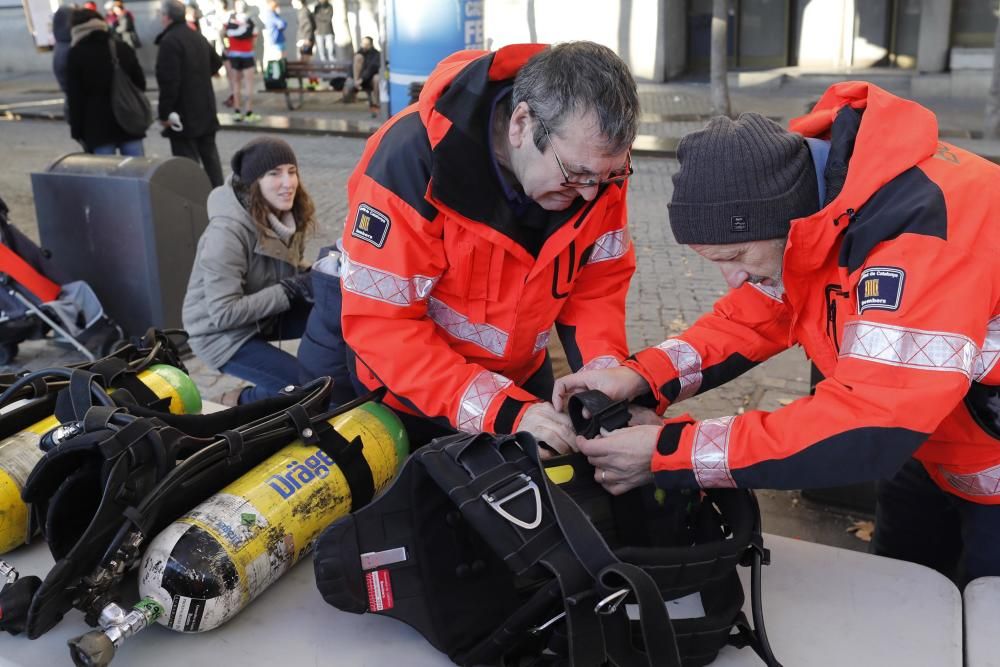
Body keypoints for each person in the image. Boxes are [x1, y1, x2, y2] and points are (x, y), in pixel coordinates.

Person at [555, 83, 1000, 586]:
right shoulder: (826, 199)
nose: (733, 278)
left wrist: (669, 452)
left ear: (782, 221)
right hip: (932, 444)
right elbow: (755, 315)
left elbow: (868, 421)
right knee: (900, 592)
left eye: (735, 256)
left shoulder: (919, 236)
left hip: (974, 462)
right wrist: (638, 376)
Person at [297, 42, 639, 450]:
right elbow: (384, 326)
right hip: (415, 394)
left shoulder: (596, 169)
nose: (589, 194)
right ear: (521, 123)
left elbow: (597, 287)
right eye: (576, 174)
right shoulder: (411, 162)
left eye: (608, 177)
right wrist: (506, 411)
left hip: (517, 381)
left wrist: (601, 382)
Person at [183, 137, 316, 405]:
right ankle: (237, 402)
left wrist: (315, 274)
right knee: (307, 386)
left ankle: (330, 366)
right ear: (254, 182)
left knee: (334, 312)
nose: (288, 183)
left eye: (292, 171)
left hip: (261, 313)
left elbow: (278, 271)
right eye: (274, 174)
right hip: (220, 335)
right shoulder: (227, 232)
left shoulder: (287, 216)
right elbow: (223, 313)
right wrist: (290, 289)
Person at [155, 0, 224, 187]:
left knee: (187, 164)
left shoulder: (170, 41)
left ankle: (195, 202)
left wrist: (164, 112)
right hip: (205, 107)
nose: (160, 18)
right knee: (211, 160)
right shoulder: (196, 36)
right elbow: (216, 62)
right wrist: (198, 76)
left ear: (167, 17)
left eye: (161, 14)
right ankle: (219, 198)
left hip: (183, 113)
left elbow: (169, 82)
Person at [66, 7, 146, 156]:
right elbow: (140, 83)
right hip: (128, 121)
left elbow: (75, 98)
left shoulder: (76, 54)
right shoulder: (122, 48)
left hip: (97, 127)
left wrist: (77, 131)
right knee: (138, 173)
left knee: (105, 175)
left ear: (75, 28)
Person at [224, 0, 259, 122]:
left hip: (234, 55)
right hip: (247, 54)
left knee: (236, 83)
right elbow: (254, 40)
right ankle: (249, 112)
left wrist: (228, 48)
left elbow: (224, 35)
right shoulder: (251, 22)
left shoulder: (229, 21)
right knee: (249, 84)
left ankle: (237, 111)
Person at [340, 35, 379, 114]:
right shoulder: (358, 54)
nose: (364, 46)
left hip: (368, 79)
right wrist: (352, 79)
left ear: (371, 45)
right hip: (356, 79)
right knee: (347, 90)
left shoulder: (375, 55)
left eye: (367, 44)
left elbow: (371, 68)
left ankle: (377, 104)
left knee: (377, 79)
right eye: (363, 44)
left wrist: (362, 79)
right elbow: (351, 67)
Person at [291, 0, 317, 89]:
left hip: (305, 41)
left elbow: (309, 26)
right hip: (305, 40)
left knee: (306, 63)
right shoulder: (304, 11)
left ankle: (313, 83)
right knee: (305, 64)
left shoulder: (304, 11)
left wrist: (306, 39)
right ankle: (310, 83)